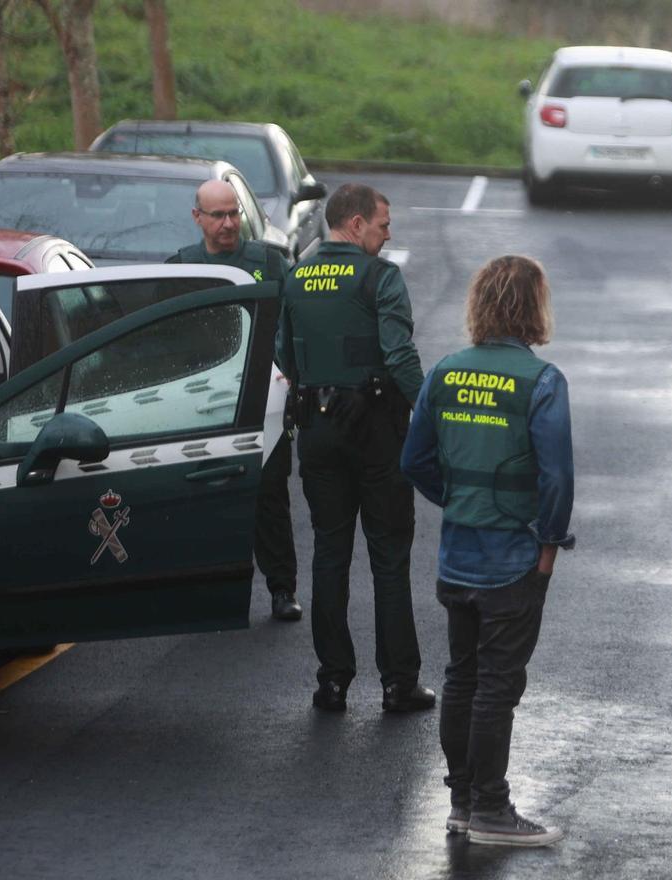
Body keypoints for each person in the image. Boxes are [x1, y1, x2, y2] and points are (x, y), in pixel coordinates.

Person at [401, 255, 574, 847]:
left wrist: (458, 499)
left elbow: (413, 461)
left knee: (462, 679)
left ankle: (461, 801)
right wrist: (548, 547)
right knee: (498, 685)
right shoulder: (542, 381)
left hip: (457, 557)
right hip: (511, 560)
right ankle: (492, 810)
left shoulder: (446, 372)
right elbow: (555, 479)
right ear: (534, 308)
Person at [275, 182, 434, 714]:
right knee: (388, 556)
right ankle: (398, 683)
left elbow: (284, 357)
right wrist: (432, 417)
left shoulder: (296, 278)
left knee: (329, 554)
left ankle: (333, 682)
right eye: (384, 225)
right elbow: (399, 355)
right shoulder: (379, 278)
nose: (389, 236)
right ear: (356, 223)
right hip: (375, 432)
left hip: (318, 432)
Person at [168, 179, 301, 622]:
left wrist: (289, 379)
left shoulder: (268, 262)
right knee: (203, 497)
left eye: (233, 214)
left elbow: (292, 327)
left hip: (263, 400)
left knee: (269, 497)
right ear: (197, 218)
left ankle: (282, 589)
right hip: (203, 404)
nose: (228, 224)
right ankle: (207, 591)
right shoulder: (181, 269)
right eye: (218, 215)